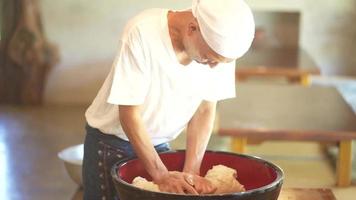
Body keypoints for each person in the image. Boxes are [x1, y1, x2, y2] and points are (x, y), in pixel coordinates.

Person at [82, 0, 255, 199]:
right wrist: (161, 174)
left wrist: (191, 172)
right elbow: (129, 113)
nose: (214, 67)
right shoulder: (142, 32)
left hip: (160, 145)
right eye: (209, 58)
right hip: (112, 142)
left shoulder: (219, 48)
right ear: (192, 28)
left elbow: (205, 110)